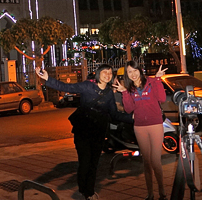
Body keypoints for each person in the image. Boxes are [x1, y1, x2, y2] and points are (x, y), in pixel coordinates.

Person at [36, 64, 131, 200]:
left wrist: (132, 118)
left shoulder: (109, 92)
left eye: (110, 73)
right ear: (98, 73)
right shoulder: (88, 86)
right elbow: (67, 87)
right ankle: (84, 190)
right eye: (104, 72)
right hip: (83, 130)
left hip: (99, 131)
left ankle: (89, 191)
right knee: (85, 161)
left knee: (94, 163)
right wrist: (48, 78)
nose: (107, 74)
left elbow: (114, 114)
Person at [114, 61, 167, 200]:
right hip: (139, 127)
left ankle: (162, 191)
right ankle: (150, 193)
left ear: (140, 70)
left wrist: (158, 80)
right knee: (146, 162)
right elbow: (129, 109)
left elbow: (161, 98)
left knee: (155, 161)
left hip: (155, 124)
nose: (133, 74)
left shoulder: (151, 81)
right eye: (129, 72)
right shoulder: (129, 88)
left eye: (135, 70)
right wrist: (124, 92)